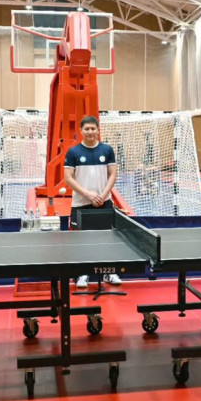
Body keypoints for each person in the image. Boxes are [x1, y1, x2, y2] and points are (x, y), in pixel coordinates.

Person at [64, 115, 122, 289]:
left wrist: (103, 195)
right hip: (81, 204)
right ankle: (82, 274)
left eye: (93, 128)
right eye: (87, 129)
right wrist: (88, 195)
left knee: (107, 238)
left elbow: (113, 174)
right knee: (81, 240)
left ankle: (108, 272)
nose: (90, 132)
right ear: (81, 131)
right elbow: (68, 178)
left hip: (104, 202)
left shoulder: (107, 150)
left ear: (98, 130)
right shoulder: (73, 152)